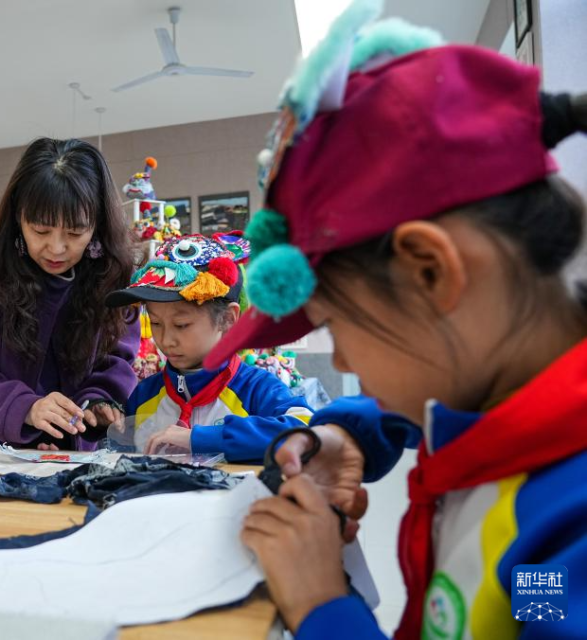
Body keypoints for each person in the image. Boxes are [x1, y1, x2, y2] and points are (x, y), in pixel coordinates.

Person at [204, 5, 587, 638]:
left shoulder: (557, 544)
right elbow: (445, 418)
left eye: (337, 324)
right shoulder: (514, 414)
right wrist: (351, 435)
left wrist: (323, 606)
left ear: (431, 273)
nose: (346, 363)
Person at [0, 137, 139, 449]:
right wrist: (24, 408)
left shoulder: (113, 269)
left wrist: (97, 402)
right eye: (40, 231)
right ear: (17, 217)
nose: (56, 248)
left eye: (75, 233)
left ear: (97, 226)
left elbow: (116, 357)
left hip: (65, 450)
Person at [105, 234, 313, 462]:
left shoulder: (255, 389)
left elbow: (306, 428)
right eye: (155, 323)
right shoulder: (145, 395)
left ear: (228, 319)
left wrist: (201, 439)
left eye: (181, 325)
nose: (166, 340)